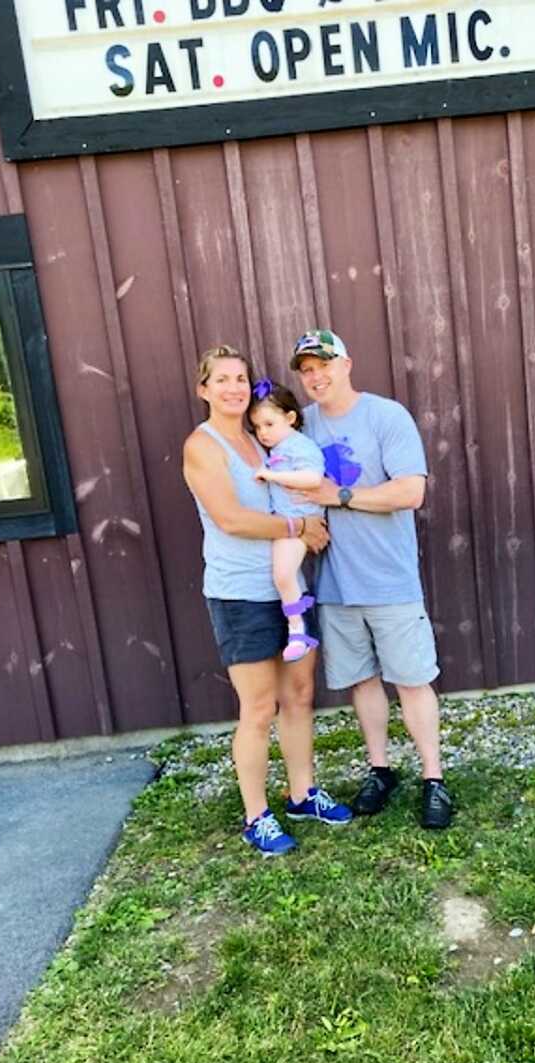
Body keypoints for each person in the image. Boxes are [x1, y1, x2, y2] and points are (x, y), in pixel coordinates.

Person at [182, 345, 353, 857]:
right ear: (204, 390)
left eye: (240, 378)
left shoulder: (266, 439)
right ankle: (257, 815)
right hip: (241, 594)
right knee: (258, 708)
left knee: (299, 697)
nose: (234, 387)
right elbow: (231, 519)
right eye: (223, 379)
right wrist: (300, 526)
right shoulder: (204, 446)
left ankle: (302, 793)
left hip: (289, 589)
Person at [285, 328, 455, 829]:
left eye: (324, 365)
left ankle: (433, 778)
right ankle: (380, 771)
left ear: (347, 363)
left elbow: (409, 492)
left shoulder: (385, 416)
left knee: (412, 679)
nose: (316, 377)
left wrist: (338, 496)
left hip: (390, 580)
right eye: (307, 370)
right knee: (361, 682)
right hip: (336, 584)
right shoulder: (302, 427)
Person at [247, 378, 325, 663]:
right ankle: (300, 623)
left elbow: (313, 478)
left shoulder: (299, 446)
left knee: (282, 575)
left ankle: (298, 631)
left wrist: (272, 475)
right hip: (287, 523)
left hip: (300, 521)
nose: (262, 433)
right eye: (256, 427)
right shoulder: (279, 449)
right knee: (285, 576)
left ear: (290, 418)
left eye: (269, 424)